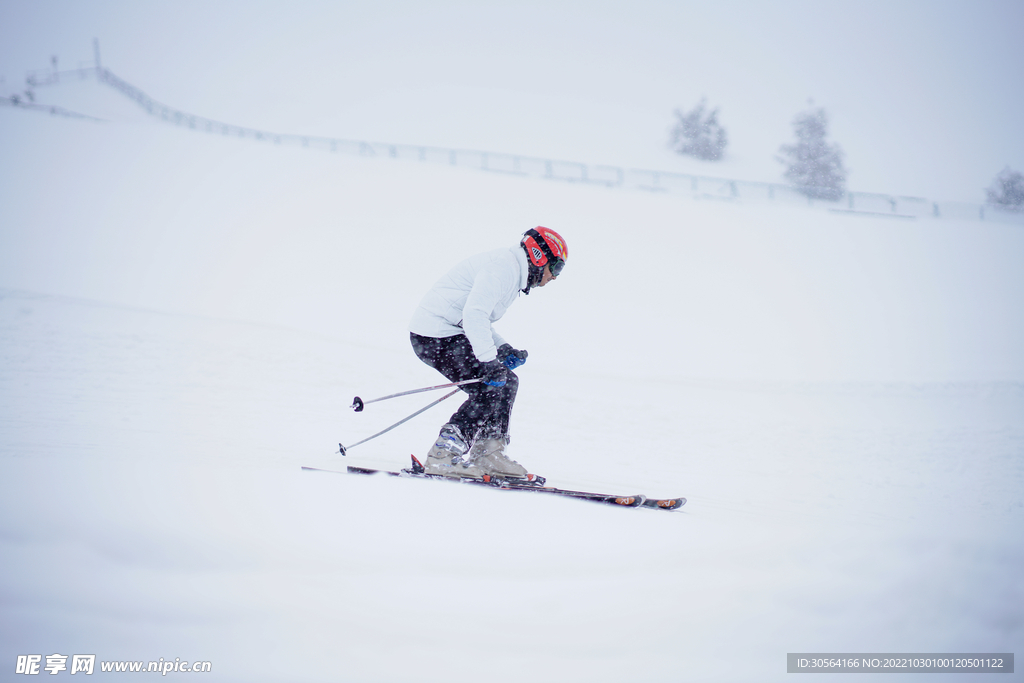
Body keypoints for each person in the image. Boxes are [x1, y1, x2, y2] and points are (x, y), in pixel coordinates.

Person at [408, 227, 567, 481]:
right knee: (489, 387)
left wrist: (502, 349)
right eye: (557, 267)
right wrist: (488, 361)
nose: (555, 277)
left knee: (507, 382)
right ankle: (442, 455)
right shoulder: (503, 269)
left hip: (448, 332)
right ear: (539, 256)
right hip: (434, 334)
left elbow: (477, 317)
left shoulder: (511, 271)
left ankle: (488, 453)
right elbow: (474, 315)